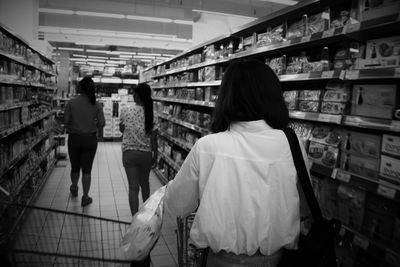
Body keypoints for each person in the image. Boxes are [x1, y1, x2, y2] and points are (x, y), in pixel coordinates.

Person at [164, 59, 310, 267]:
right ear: (274, 97)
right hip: (280, 261)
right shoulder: (293, 145)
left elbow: (177, 205)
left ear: (226, 97)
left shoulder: (207, 146)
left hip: (221, 261)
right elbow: (305, 209)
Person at [119, 83, 157, 267]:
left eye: (134, 93)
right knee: (145, 185)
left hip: (129, 153)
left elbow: (121, 129)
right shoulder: (152, 112)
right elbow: (154, 136)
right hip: (145, 153)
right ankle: (148, 217)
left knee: (132, 187)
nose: (133, 96)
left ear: (137, 95)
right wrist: (155, 154)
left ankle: (135, 219)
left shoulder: (126, 110)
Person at [64, 76, 105, 207]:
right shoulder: (96, 104)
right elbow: (102, 123)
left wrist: (74, 124)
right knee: (87, 170)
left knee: (75, 167)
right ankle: (85, 197)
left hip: (74, 139)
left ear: (80, 88)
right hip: (90, 140)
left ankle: (74, 187)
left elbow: (65, 121)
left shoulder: (71, 103)